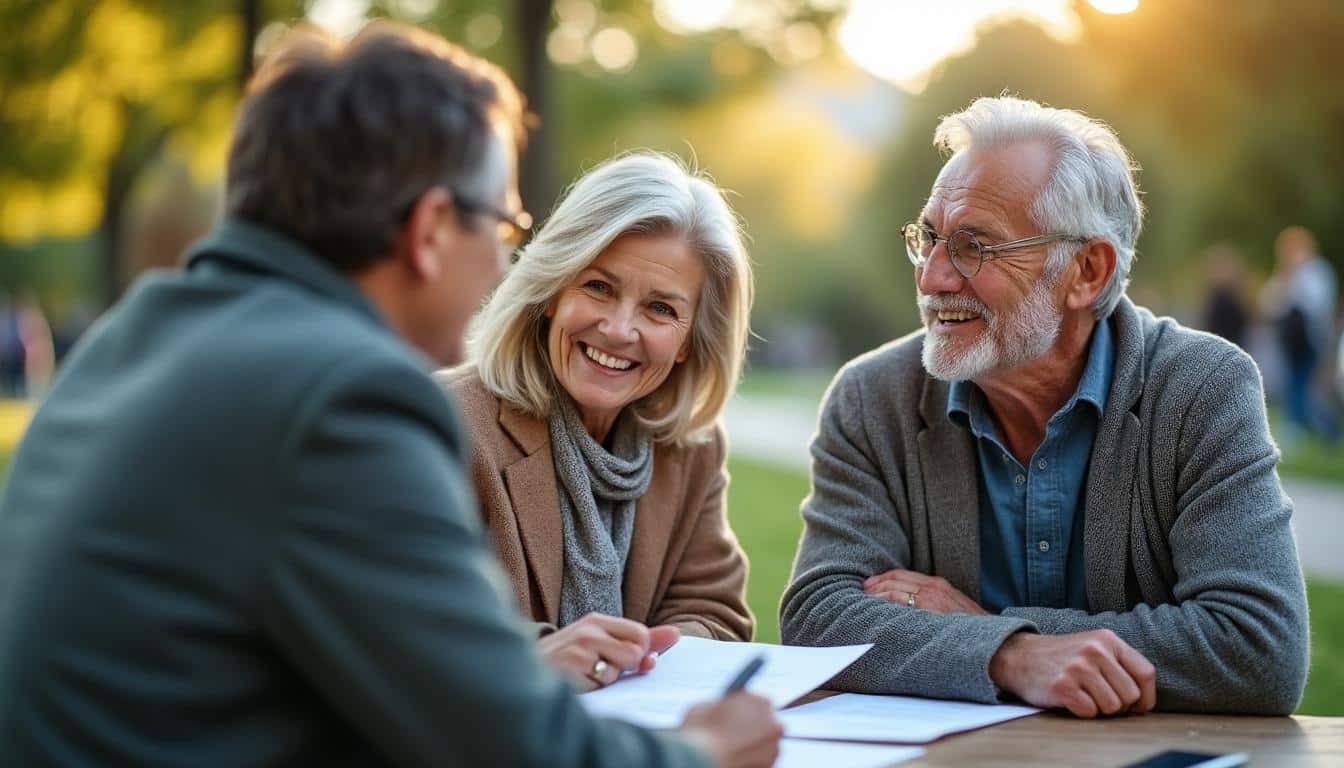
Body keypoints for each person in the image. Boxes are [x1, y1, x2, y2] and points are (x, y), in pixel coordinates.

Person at [0, 23, 781, 767]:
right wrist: (708, 752)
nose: (506, 264)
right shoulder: (342, 402)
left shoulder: (138, 333)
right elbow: (510, 745)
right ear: (431, 229)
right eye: (505, 224)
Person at [780, 96, 1308, 717]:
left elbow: (1258, 648)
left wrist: (988, 627)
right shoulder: (872, 397)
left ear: (1086, 270)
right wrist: (1011, 656)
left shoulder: (1200, 387)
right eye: (929, 239)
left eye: (974, 246)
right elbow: (819, 617)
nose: (932, 278)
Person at [438, 152, 755, 691]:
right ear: (550, 294)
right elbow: (405, 624)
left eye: (660, 309)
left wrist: (642, 660)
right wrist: (534, 660)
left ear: (688, 343)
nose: (618, 329)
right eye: (598, 288)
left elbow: (715, 611)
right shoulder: (446, 424)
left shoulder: (692, 449)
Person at [1269, 225, 1338, 442]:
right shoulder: (1285, 273)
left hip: (1310, 338)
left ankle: (1328, 431)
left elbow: (1318, 305)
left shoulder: (1316, 271)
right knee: (1295, 382)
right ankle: (1302, 428)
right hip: (1291, 341)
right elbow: (1271, 304)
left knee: (1310, 385)